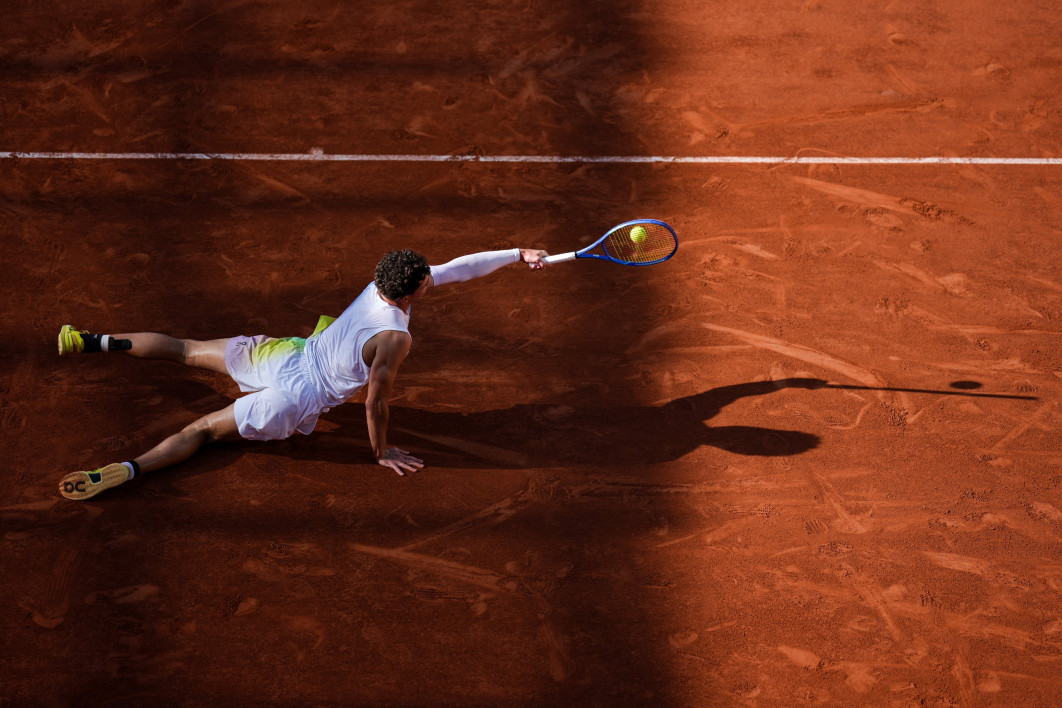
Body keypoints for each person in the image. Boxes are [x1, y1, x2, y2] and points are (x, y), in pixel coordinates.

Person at [57, 247, 550, 501]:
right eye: (427, 279)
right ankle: (127, 470)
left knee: (185, 350)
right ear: (410, 291)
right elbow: (376, 402)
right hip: (294, 400)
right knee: (202, 430)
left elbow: (456, 269)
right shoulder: (396, 337)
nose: (434, 280)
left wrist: (514, 254)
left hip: (284, 355)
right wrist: (380, 452)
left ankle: (90, 340)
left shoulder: (377, 286)